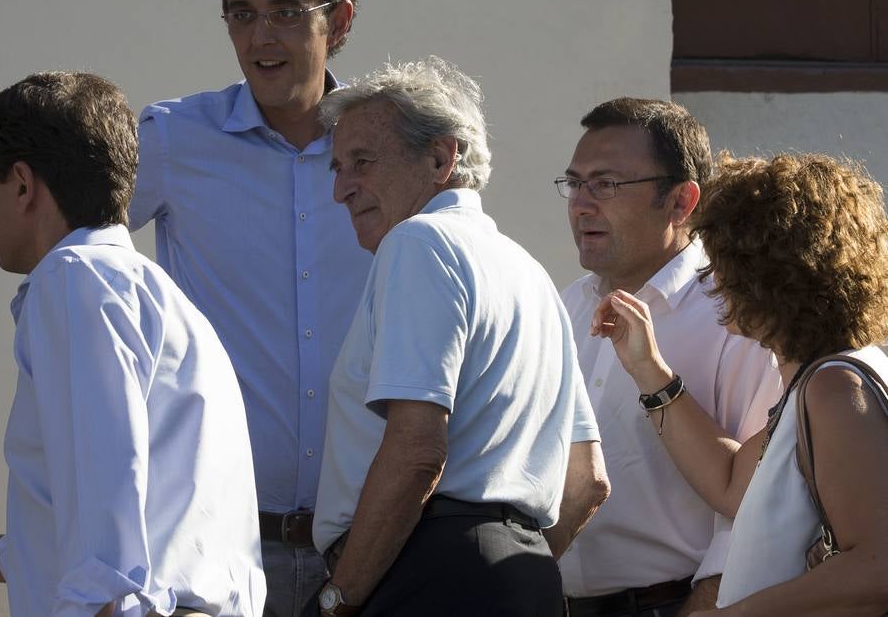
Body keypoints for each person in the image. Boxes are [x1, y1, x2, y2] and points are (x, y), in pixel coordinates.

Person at [0, 71, 264, 617]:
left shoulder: (73, 280)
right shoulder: (151, 291)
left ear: (22, 184)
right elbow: (88, 530)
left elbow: (104, 536)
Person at [129, 0, 373, 616]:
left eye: (286, 13)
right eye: (242, 14)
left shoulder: (391, 147)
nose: (261, 36)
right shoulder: (173, 139)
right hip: (216, 546)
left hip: (367, 548)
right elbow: (79, 259)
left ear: (342, 20)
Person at [309, 57, 592, 616]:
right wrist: (503, 571)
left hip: (425, 570)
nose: (341, 189)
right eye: (337, 168)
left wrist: (339, 598)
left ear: (441, 157)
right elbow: (587, 481)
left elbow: (417, 450)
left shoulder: (419, 242)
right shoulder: (531, 272)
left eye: (361, 162)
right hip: (519, 574)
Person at [595, 152, 888, 615]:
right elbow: (731, 486)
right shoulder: (820, 381)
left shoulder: (833, 387)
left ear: (769, 274)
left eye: (723, 261)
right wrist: (648, 367)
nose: (713, 279)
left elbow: (877, 567)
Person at [555, 98, 781, 617]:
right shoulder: (563, 307)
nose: (581, 203)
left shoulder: (737, 314)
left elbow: (759, 499)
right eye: (575, 183)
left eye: (606, 184)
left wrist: (704, 604)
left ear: (681, 202)